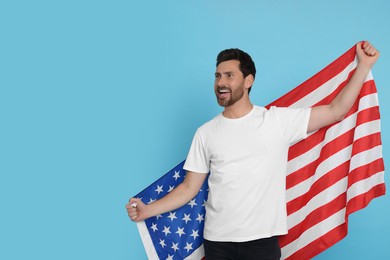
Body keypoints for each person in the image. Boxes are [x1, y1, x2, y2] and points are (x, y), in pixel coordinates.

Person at [126, 41, 379, 259]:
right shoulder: (206, 132)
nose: (220, 83)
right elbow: (188, 189)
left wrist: (364, 66)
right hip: (217, 244)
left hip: (262, 244)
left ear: (248, 81)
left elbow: (336, 111)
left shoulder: (277, 121)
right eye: (217, 76)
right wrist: (148, 210)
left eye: (228, 75)